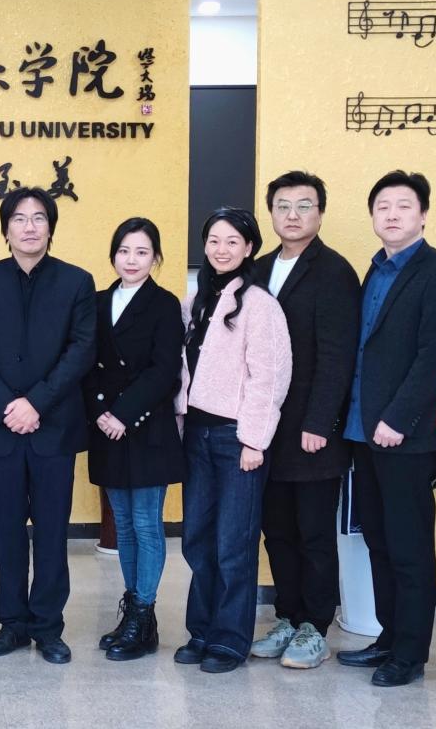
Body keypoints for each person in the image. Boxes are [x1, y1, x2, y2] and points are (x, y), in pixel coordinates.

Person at [333, 170, 436, 688]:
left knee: (409, 548)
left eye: (404, 206)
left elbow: (435, 356)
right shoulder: (375, 270)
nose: (392, 214)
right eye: (383, 206)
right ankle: (388, 638)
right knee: (380, 542)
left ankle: (410, 655)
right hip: (362, 433)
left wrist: (398, 418)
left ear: (423, 215)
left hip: (403, 437)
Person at [0, 187, 96, 665]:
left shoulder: (77, 282)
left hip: (53, 427)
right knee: (7, 531)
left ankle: (48, 627)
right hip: (1, 429)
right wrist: (8, 405)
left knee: (53, 531)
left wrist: (36, 402)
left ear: (51, 227)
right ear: (6, 229)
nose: (30, 226)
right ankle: (12, 624)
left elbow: (81, 349)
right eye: (19, 218)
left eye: (39, 218)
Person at [171, 208, 292, 674]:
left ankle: (229, 639)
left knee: (233, 543)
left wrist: (255, 440)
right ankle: (201, 631)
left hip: (237, 438)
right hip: (196, 435)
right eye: (214, 241)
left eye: (232, 241)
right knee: (197, 539)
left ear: (249, 248)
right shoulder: (196, 300)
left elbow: (271, 377)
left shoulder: (260, 304)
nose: (221, 249)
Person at [250, 172, 360, 670]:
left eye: (303, 205)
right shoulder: (257, 270)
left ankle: (315, 624)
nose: (292, 215)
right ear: (271, 212)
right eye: (283, 205)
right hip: (265, 430)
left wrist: (320, 422)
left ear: (320, 212)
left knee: (314, 533)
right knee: (277, 531)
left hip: (310, 431)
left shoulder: (334, 272)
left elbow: (338, 356)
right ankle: (288, 617)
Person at [83, 218, 183, 662]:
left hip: (146, 428)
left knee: (146, 523)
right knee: (122, 525)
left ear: (155, 258)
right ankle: (133, 616)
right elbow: (84, 361)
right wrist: (101, 413)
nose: (131, 259)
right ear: (113, 255)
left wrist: (123, 414)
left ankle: (144, 613)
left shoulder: (164, 304)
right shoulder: (97, 302)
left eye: (142, 252)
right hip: (106, 427)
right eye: (124, 250)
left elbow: (164, 370)